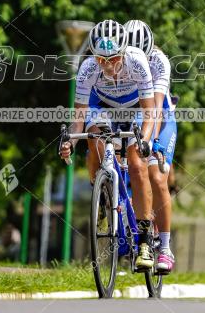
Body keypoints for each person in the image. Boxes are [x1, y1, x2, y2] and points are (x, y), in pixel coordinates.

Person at [59, 20, 156, 271]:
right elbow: (79, 117)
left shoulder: (137, 62)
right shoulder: (88, 69)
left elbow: (150, 113)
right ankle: (102, 192)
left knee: (136, 163)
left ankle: (145, 242)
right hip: (103, 107)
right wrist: (70, 140)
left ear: (123, 52)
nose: (108, 65)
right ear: (94, 56)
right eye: (102, 60)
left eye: (113, 59)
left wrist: (144, 141)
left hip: (135, 109)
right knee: (94, 138)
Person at [124, 20, 177, 274]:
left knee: (156, 176)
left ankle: (165, 248)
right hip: (133, 115)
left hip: (161, 117)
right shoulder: (121, 58)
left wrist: (148, 144)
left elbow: (155, 110)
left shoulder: (159, 62)